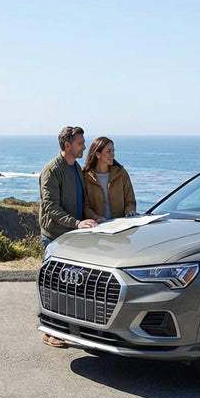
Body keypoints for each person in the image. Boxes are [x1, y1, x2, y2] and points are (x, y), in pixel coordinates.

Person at [39, 125, 98, 348]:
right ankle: (48, 332)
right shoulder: (52, 170)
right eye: (80, 143)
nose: (84, 146)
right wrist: (76, 223)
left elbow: (82, 202)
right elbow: (51, 207)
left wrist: (93, 218)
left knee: (70, 287)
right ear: (67, 145)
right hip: (55, 236)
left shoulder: (76, 168)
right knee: (52, 286)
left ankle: (68, 329)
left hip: (74, 236)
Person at [81, 136, 137, 223]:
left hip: (121, 226)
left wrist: (130, 211)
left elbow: (130, 201)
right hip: (98, 228)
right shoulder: (86, 177)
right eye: (108, 151)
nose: (112, 154)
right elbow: (86, 206)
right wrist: (96, 218)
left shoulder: (121, 173)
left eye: (113, 151)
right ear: (97, 154)